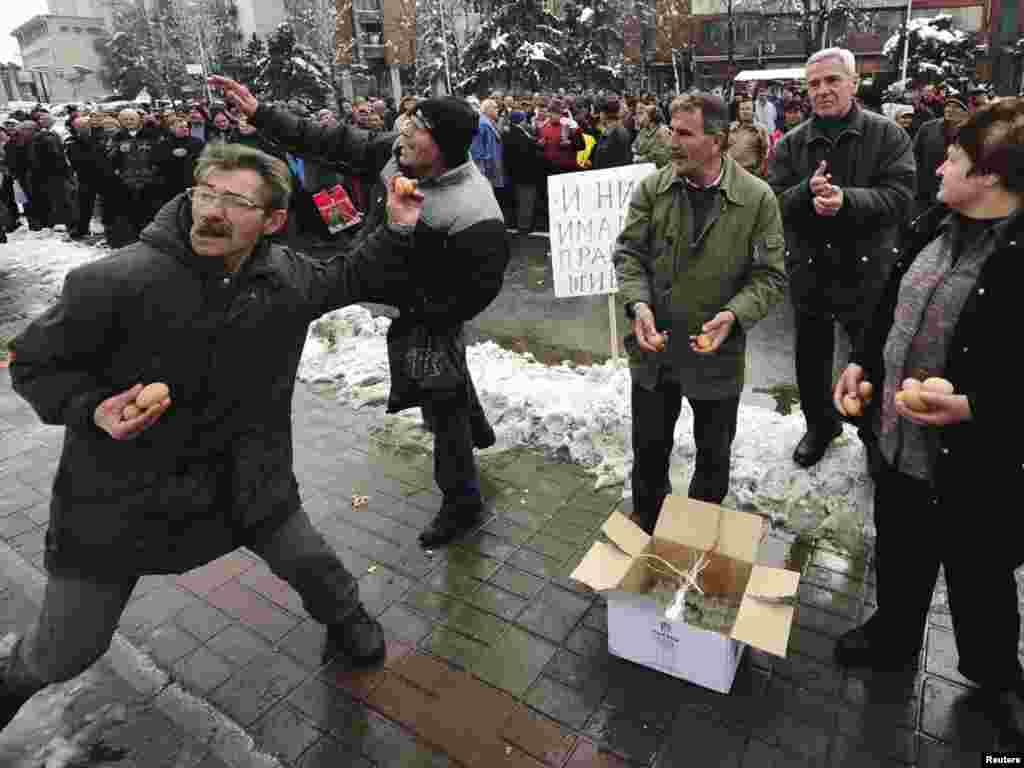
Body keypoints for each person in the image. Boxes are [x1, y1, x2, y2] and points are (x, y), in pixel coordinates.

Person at [0, 140, 426, 729]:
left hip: (247, 478)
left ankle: (348, 620)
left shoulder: (284, 277)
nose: (211, 211)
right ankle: (10, 680)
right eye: (206, 193)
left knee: (311, 563)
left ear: (274, 220)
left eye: (235, 201)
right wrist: (94, 408)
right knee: (66, 650)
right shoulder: (114, 281)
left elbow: (348, 275)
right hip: (121, 499)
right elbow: (31, 365)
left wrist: (398, 228)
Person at [210, 77, 509, 549]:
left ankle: (462, 503)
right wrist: (261, 113)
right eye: (408, 122)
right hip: (385, 277)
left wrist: (424, 312)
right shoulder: (398, 155)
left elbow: (480, 289)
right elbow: (331, 141)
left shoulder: (475, 211)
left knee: (441, 400)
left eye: (419, 128)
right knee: (448, 384)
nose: (404, 133)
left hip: (430, 314)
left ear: (445, 147)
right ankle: (479, 429)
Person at [832, 98, 1024, 732]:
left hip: (978, 463)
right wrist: (863, 363)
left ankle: (995, 679)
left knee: (980, 575)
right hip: (897, 445)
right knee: (901, 551)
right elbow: (889, 308)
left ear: (991, 176)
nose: (939, 166)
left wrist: (973, 405)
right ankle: (893, 635)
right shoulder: (929, 226)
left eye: (955, 157)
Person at [613, 93, 787, 534]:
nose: (671, 140)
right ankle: (647, 525)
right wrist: (638, 305)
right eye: (671, 129)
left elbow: (770, 277)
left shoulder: (757, 199)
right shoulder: (653, 188)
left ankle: (695, 536)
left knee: (713, 459)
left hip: (716, 356)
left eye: (684, 133)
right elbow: (628, 254)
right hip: (655, 352)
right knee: (649, 452)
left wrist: (733, 316)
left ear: (718, 140)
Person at [768, 48, 915, 468]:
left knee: (869, 359)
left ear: (853, 82)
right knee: (810, 358)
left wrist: (847, 201)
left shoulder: (887, 136)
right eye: (814, 83)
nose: (823, 90)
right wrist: (804, 194)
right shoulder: (792, 143)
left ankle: (872, 434)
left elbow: (903, 198)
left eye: (833, 80)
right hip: (811, 270)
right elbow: (772, 203)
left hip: (867, 270)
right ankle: (820, 424)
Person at [912, 95, 969, 217]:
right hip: (926, 188)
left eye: (956, 107)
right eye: (948, 106)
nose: (949, 109)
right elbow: (915, 155)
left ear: (966, 111)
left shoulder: (973, 131)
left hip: (957, 191)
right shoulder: (928, 128)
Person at [503, 110, 546, 231]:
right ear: (521, 121)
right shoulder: (518, 134)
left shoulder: (510, 132)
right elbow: (526, 152)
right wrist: (538, 146)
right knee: (526, 200)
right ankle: (524, 226)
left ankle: (522, 224)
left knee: (522, 200)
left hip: (516, 173)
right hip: (525, 174)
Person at [64, 115, 103, 239]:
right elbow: (77, 160)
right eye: (80, 127)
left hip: (102, 175)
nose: (84, 128)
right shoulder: (72, 142)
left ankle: (109, 226)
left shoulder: (98, 137)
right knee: (84, 206)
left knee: (106, 203)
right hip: (85, 177)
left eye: (86, 126)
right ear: (75, 128)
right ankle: (82, 229)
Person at [727, 95, 770, 177]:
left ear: (753, 111)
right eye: (742, 109)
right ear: (738, 112)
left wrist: (759, 172)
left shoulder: (760, 129)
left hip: (750, 174)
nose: (744, 111)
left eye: (748, 109)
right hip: (730, 172)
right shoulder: (732, 128)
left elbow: (766, 154)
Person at [590, 97, 633, 170]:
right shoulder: (611, 130)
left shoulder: (616, 132)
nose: (599, 115)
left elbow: (604, 157)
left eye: (600, 112)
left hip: (610, 174)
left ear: (604, 114)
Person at [631, 103, 672, 168]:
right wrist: (634, 152)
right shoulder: (644, 130)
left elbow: (661, 155)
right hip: (641, 166)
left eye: (643, 114)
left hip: (657, 168)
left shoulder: (663, 131)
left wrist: (641, 159)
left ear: (650, 117)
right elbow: (634, 145)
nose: (641, 118)